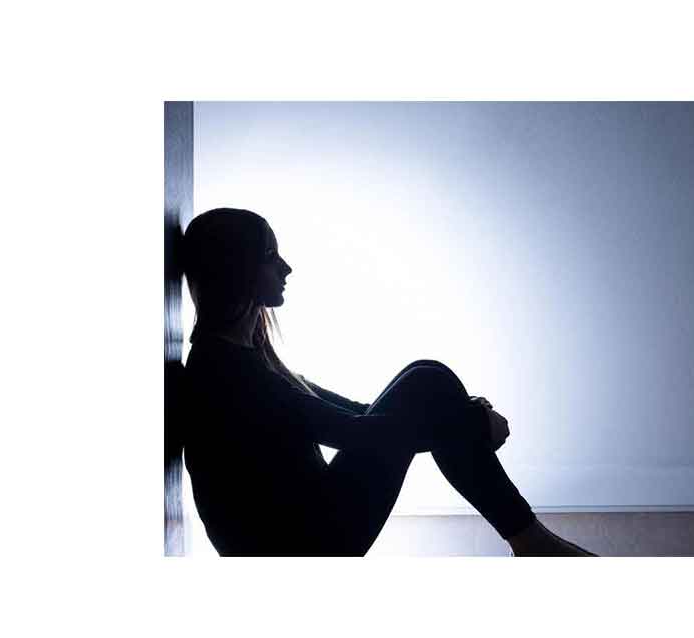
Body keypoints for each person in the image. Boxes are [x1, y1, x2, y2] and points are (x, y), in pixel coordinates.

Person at [180, 207, 596, 557]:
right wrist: (470, 423)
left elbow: (357, 416)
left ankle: (530, 541)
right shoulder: (227, 373)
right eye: (271, 256)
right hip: (299, 546)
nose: (286, 268)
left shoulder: (247, 355)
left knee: (426, 379)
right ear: (236, 270)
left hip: (309, 522)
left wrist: (460, 415)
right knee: (427, 383)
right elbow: (355, 434)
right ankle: (532, 541)